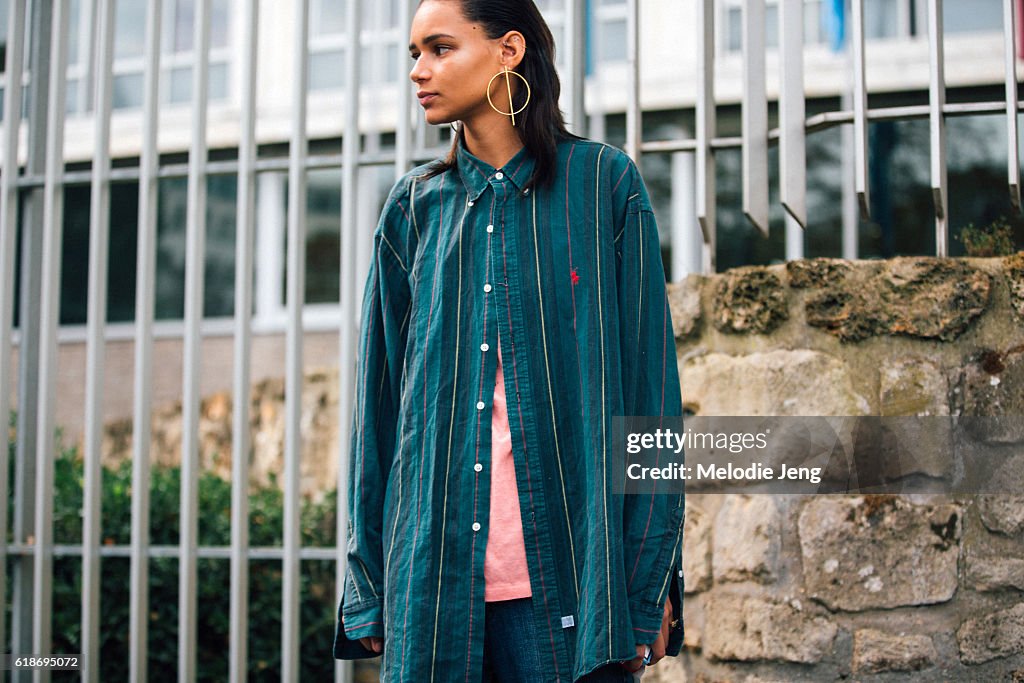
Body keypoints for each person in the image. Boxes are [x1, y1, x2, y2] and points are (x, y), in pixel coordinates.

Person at [332, 0, 684, 680]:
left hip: (576, 594)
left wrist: (647, 584)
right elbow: (377, 416)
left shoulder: (604, 186)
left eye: (439, 48)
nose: (420, 71)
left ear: (508, 50)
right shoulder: (410, 211)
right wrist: (368, 585)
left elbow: (651, 402)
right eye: (414, 55)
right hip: (433, 597)